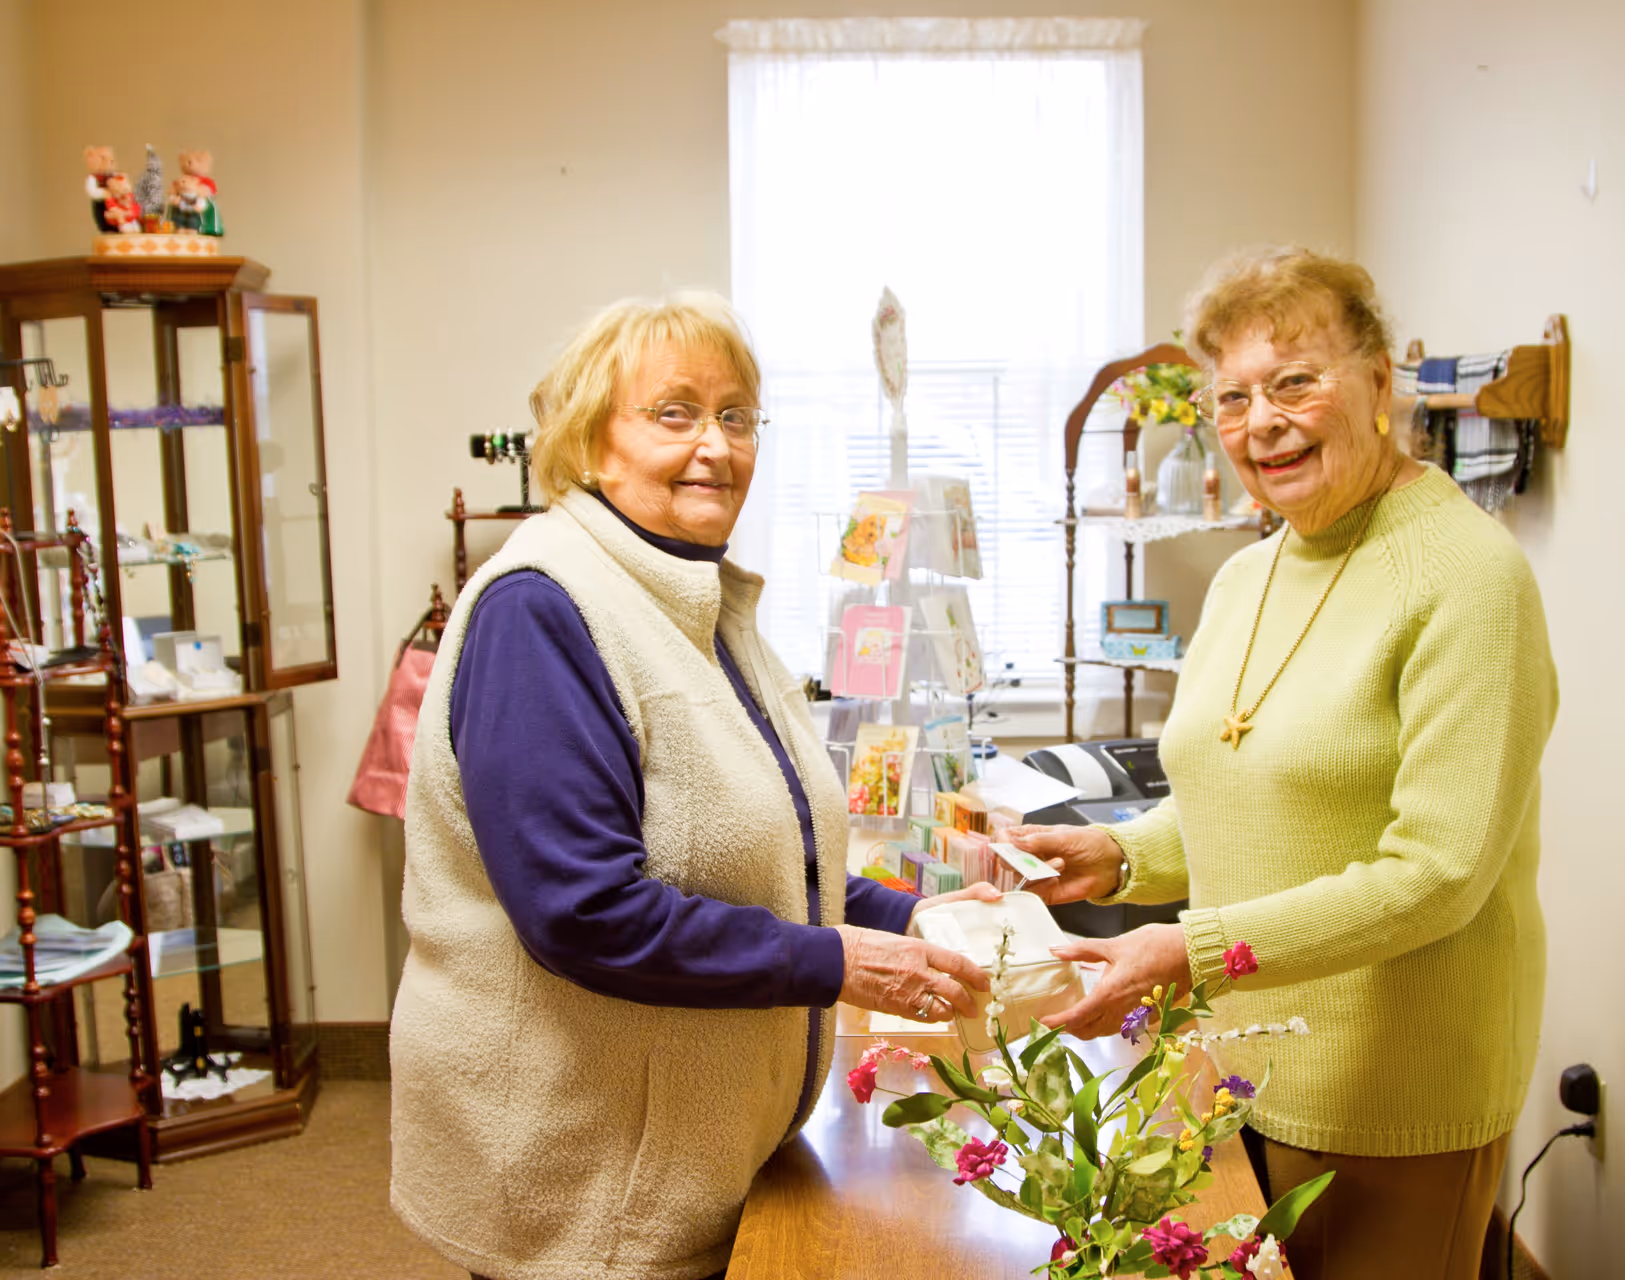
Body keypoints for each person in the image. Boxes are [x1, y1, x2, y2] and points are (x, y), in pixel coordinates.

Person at [390, 293, 996, 1280]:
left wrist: (914, 916)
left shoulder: (702, 597)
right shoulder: (541, 609)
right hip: (587, 1192)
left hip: (703, 1154)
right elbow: (586, 912)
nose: (715, 443)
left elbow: (775, 850)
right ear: (589, 443)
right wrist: (840, 961)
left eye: (736, 415)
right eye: (673, 413)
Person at [1014, 247, 1557, 1280]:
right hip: (1242, 1063)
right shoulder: (1246, 573)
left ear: (1382, 381)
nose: (1261, 420)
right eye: (1234, 396)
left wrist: (1190, 949)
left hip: (1396, 1086)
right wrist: (1117, 857)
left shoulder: (1469, 576)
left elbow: (1437, 873)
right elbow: (1244, 797)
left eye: (1296, 381)